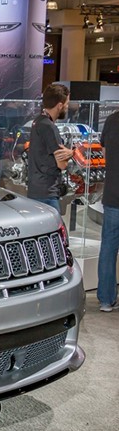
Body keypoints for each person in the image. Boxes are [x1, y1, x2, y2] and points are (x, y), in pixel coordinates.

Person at [26, 84, 73, 213]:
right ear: (60, 105)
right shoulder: (49, 127)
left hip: (36, 189)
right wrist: (71, 153)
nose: (67, 107)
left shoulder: (38, 122)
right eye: (67, 104)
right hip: (47, 194)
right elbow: (62, 164)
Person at [97, 109, 119, 312]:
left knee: (108, 249)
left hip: (112, 194)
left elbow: (104, 153)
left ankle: (106, 299)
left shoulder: (111, 120)